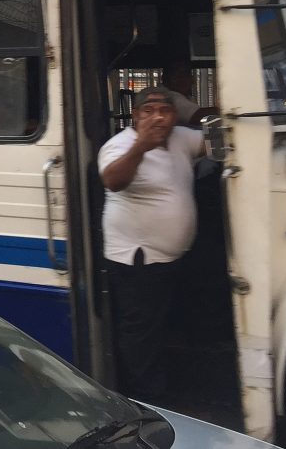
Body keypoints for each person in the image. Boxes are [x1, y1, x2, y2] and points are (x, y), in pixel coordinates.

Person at [98, 86, 204, 400]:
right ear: (135, 115)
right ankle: (147, 402)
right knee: (141, 336)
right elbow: (114, 180)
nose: (158, 117)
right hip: (137, 259)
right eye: (149, 110)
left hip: (169, 258)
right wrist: (141, 147)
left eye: (165, 110)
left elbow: (225, 142)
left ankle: (163, 390)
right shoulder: (120, 145)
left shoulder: (181, 138)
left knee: (160, 329)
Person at [163, 60, 217, 127]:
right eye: (177, 77)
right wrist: (224, 110)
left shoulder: (187, 97)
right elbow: (198, 116)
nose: (182, 80)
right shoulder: (171, 97)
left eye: (185, 75)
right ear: (165, 80)